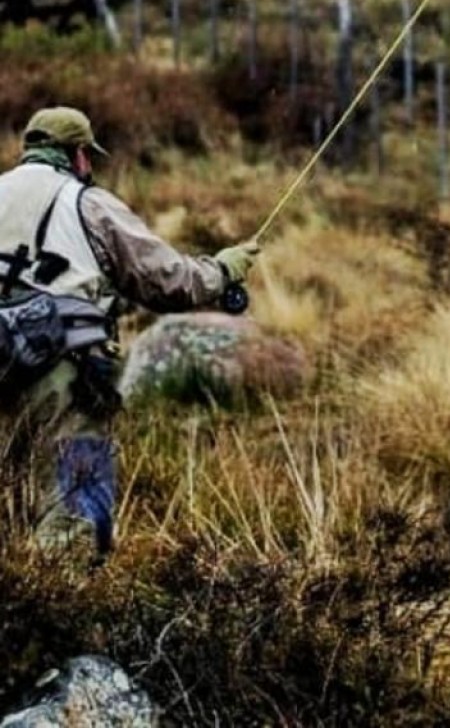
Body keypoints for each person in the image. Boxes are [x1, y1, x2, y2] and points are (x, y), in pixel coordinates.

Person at [0, 106, 260, 558]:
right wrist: (222, 271)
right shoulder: (87, 202)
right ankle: (67, 591)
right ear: (79, 154)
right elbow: (166, 281)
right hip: (65, 372)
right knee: (73, 514)